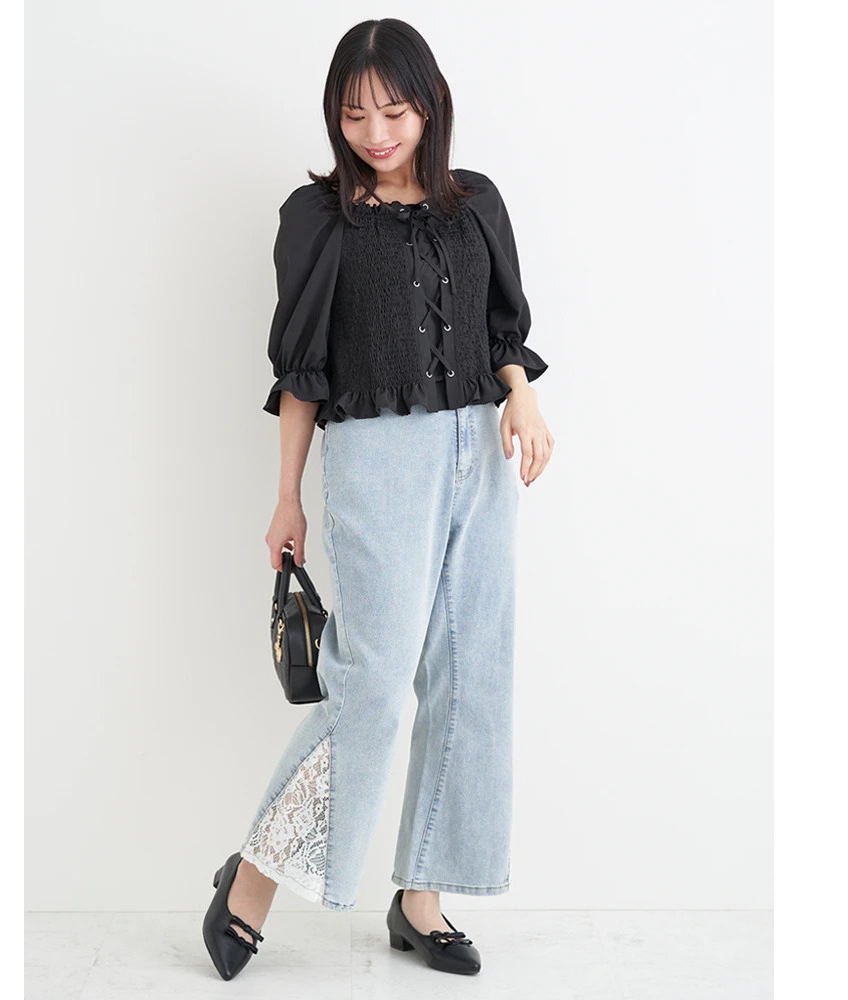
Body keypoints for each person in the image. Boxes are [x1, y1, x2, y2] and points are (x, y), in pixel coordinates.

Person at [203, 17, 554, 981]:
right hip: (378, 457)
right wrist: (287, 497)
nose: (376, 132)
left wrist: (522, 396)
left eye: (394, 111)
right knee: (370, 682)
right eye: (355, 115)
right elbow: (302, 370)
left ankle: (423, 899)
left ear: (429, 105)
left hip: (481, 451)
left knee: (473, 673)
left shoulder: (474, 203)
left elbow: (502, 330)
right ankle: (253, 878)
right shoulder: (320, 219)